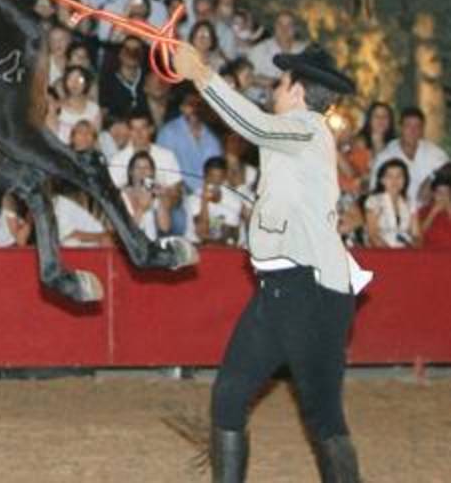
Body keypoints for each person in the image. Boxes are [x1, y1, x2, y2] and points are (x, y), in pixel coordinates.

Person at [172, 40, 367, 481]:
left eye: (280, 83)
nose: (274, 90)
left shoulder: (308, 128)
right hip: (281, 291)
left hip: (309, 293)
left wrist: (202, 75)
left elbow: (256, 126)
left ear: (297, 92)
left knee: (323, 418)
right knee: (229, 397)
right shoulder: (297, 138)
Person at [368, 107, 448, 210]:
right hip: (396, 213)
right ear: (400, 128)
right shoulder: (387, 155)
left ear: (423, 130)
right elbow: (374, 190)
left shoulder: (433, 152)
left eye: (417, 126)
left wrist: (430, 180)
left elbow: (447, 167)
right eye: (408, 126)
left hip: (430, 212)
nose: (413, 131)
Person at [158, 89, 224, 194]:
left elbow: (218, 171)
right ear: (182, 107)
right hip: (178, 194)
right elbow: (162, 169)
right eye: (190, 104)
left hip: (206, 195)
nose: (194, 109)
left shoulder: (212, 137)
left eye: (198, 105)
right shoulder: (169, 132)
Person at [184, 157, 244, 245]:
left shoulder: (234, 200)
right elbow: (202, 233)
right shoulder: (193, 199)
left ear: (225, 178)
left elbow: (231, 236)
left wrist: (214, 231)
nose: (215, 182)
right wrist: (204, 201)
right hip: (197, 247)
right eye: (211, 177)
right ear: (204, 177)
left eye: (219, 177)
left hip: (225, 248)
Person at [120, 151, 172, 241]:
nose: (142, 171)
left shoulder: (153, 192)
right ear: (131, 171)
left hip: (150, 246)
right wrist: (142, 208)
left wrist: (160, 199)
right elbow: (126, 232)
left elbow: (165, 227)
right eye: (138, 167)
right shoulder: (121, 195)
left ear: (152, 172)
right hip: (130, 246)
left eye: (146, 168)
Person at [364, 159, 415, 248]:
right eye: (389, 176)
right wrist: (391, 255)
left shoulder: (409, 202)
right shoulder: (373, 201)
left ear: (405, 180)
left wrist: (411, 251)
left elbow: (417, 235)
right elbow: (373, 235)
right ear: (382, 180)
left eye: (399, 176)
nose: (395, 180)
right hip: (381, 253)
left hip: (407, 253)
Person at [415, 176, 451, 248]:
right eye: (439, 192)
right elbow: (417, 237)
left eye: (447, 193)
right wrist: (432, 213)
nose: (443, 196)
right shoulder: (423, 211)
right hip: (429, 254)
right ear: (433, 194)